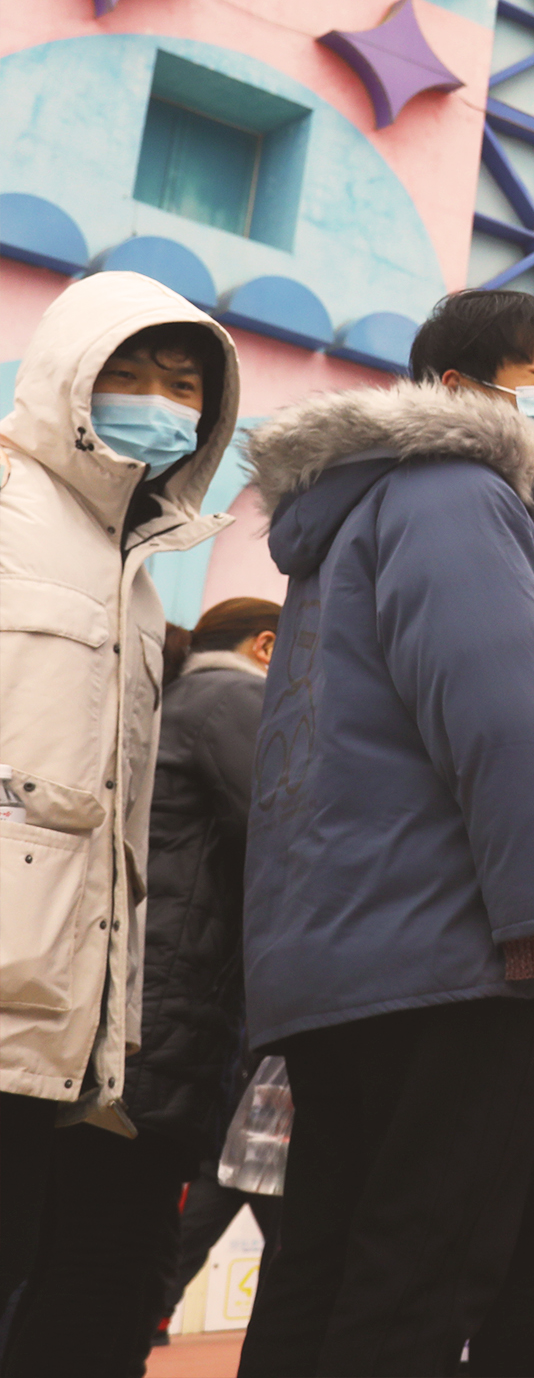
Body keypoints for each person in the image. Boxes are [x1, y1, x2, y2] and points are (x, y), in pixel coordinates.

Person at [235, 290, 534, 1378]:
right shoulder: (458, 490)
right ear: (454, 388)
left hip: (342, 960)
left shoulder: (347, 517)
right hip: (455, 955)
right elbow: (502, 712)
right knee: (418, 1280)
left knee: (320, 1270)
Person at [0, 274, 239, 1344]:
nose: (158, 400)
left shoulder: (135, 578)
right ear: (66, 378)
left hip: (50, 1013)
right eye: (127, 373)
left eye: (183, 384)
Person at [5, 591, 272, 1378]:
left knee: (90, 1260)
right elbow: (293, 836)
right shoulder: (233, 700)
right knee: (111, 1268)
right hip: (156, 1040)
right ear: (265, 646)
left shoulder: (175, 704)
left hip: (122, 1029)